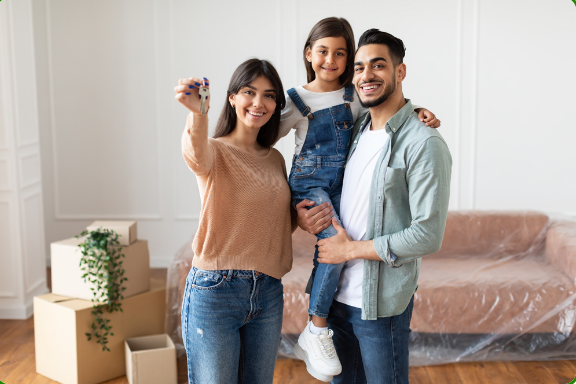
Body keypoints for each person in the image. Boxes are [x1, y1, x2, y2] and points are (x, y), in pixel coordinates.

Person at [278, 17, 441, 382]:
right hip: (337, 301)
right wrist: (299, 215)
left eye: (379, 65)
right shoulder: (357, 129)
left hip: (378, 304)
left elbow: (427, 236)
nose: (367, 74)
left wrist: (348, 251)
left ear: (400, 71)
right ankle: (315, 328)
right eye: (360, 67)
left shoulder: (422, 143)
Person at [175, 59, 302, 384]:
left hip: (268, 291)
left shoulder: (275, 159)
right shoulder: (214, 151)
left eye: (269, 95)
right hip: (216, 291)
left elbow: (277, 226)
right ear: (232, 97)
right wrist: (198, 112)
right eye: (249, 92)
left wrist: (303, 215)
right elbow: (194, 152)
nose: (259, 103)